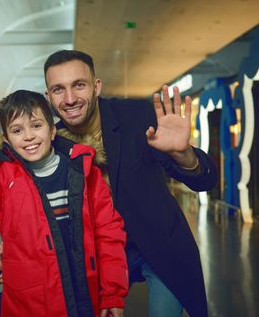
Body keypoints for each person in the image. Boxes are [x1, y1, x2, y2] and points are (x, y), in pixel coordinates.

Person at [38, 50, 218, 317]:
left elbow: (206, 180)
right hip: (97, 253)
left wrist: (183, 154)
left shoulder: (137, 117)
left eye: (79, 85)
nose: (70, 99)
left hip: (158, 245)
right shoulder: (51, 142)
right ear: (48, 97)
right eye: (58, 89)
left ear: (96, 86)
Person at [0, 90, 128, 317]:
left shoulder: (83, 171)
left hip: (84, 296)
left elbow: (108, 234)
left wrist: (112, 294)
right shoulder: (2, 178)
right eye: (17, 130)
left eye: (36, 126)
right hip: (29, 304)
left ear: (52, 130)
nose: (28, 136)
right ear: (7, 139)